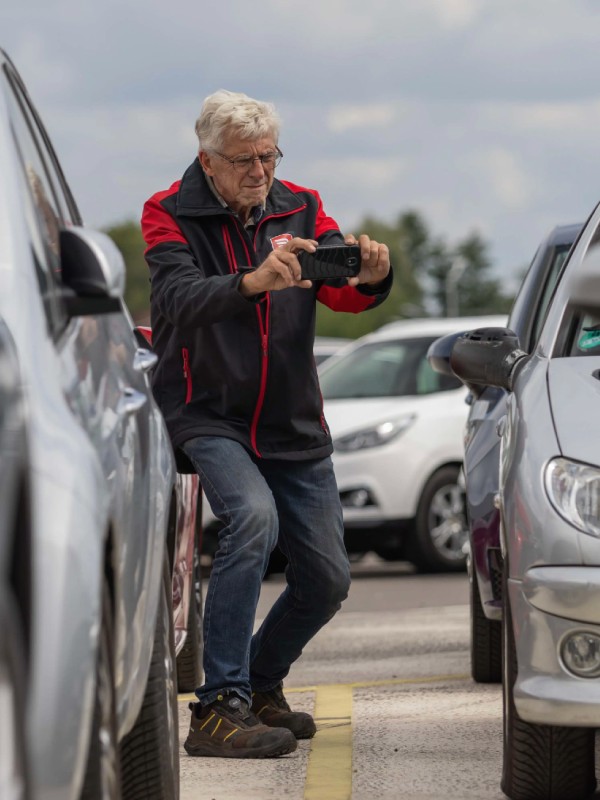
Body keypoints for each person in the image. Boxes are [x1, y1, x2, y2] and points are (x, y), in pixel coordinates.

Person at [141, 89, 392, 759]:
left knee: (328, 578)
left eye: (268, 155)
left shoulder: (302, 204)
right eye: (244, 159)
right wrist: (252, 281)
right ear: (208, 161)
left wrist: (370, 276)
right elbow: (175, 300)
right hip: (205, 413)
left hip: (291, 419)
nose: (260, 170)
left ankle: (258, 685)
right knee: (253, 518)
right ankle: (217, 708)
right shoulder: (167, 212)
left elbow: (337, 286)